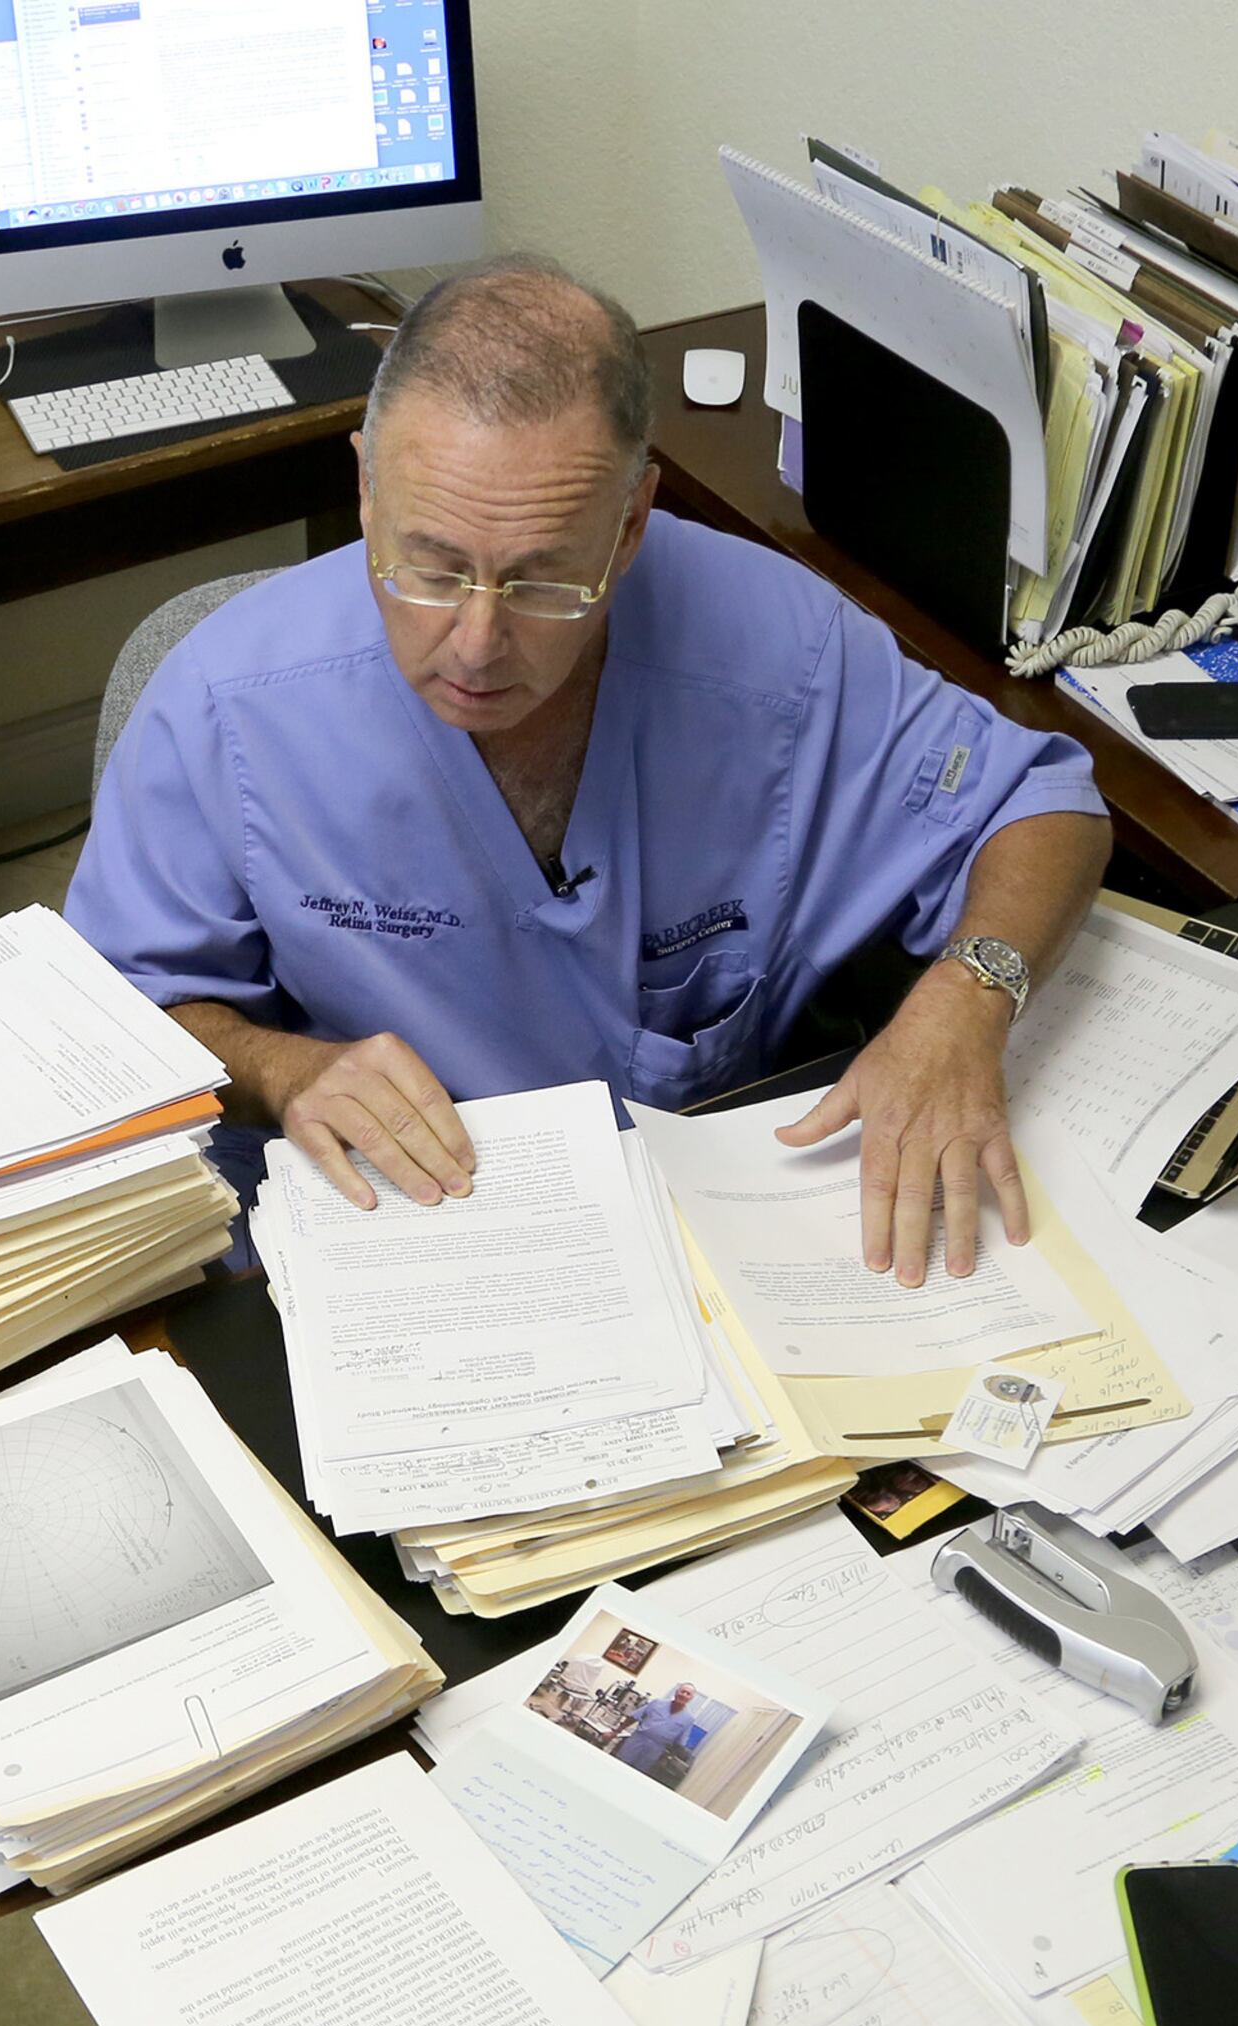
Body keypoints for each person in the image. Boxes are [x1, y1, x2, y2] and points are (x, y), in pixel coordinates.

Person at [65, 256, 1113, 1285]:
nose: (474, 643)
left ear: (631, 524)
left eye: (543, 581)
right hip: (387, 1240)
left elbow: (1046, 804)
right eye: (431, 568)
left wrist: (968, 1001)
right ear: (364, 487)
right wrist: (289, 1071)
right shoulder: (226, 702)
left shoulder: (779, 651)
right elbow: (116, 1018)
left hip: (712, 1230)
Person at [612, 1685, 706, 1782]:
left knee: (636, 1777)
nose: (684, 1695)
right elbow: (634, 1717)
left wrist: (667, 1758)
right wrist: (615, 1732)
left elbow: (679, 1743)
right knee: (618, 1766)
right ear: (676, 1692)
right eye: (682, 1691)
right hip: (637, 1740)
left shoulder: (688, 1719)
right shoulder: (657, 1703)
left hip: (656, 1749)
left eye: (688, 1694)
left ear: (691, 1698)